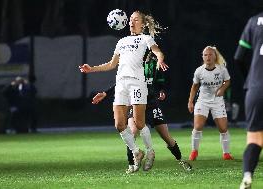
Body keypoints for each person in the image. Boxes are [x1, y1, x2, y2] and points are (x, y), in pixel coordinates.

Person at [79, 10, 168, 172]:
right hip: (121, 84)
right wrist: (91, 69)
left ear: (143, 24)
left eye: (135, 20)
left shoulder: (146, 38)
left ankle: (150, 151)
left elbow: (157, 51)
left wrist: (160, 58)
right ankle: (137, 151)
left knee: (140, 123)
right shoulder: (122, 41)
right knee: (119, 124)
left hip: (137, 83)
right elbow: (111, 65)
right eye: (131, 20)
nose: (132, 22)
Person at [93, 52, 192, 173]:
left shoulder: (155, 64)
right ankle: (132, 165)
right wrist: (106, 93)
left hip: (151, 104)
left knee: (166, 137)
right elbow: (121, 84)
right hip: (134, 104)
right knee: (131, 133)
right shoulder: (131, 65)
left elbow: (160, 80)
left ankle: (181, 161)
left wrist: (161, 90)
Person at [187, 46, 234, 161]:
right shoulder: (199, 71)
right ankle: (194, 152)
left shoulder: (221, 69)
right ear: (203, 57)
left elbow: (227, 81)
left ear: (215, 56)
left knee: (223, 128)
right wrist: (190, 101)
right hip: (202, 101)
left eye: (210, 54)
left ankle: (226, 154)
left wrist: (222, 89)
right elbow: (194, 87)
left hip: (217, 101)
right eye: (205, 55)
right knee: (197, 127)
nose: (208, 57)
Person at [234, 12, 263, 189]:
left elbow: (238, 57)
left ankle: (247, 176)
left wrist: (250, 80)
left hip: (256, 88)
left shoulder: (254, 21)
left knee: (255, 138)